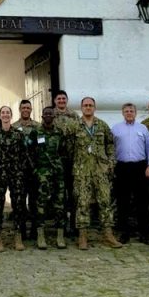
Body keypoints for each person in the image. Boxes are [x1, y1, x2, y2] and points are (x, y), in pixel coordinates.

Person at [73, 97, 123, 250]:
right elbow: (68, 148)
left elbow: (110, 145)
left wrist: (111, 163)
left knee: (105, 201)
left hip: (100, 171)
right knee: (83, 203)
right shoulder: (75, 126)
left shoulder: (102, 125)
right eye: (85, 105)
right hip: (82, 171)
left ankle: (108, 235)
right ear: (81, 108)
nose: (88, 107)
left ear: (94, 107)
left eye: (90, 105)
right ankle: (83, 236)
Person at [0, 106, 30, 252]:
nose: (5, 115)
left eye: (8, 113)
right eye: (3, 113)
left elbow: (24, 154)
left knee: (18, 204)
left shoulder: (18, 135)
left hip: (15, 175)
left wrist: (20, 171)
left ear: (11, 116)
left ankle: (18, 235)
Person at [111, 103, 149, 244]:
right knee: (122, 201)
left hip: (139, 167)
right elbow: (110, 147)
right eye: (126, 111)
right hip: (122, 167)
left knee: (142, 201)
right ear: (122, 113)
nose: (129, 113)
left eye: (131, 111)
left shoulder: (143, 128)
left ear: (135, 113)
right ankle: (124, 233)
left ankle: (144, 233)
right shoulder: (115, 129)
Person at [30, 105, 67, 250]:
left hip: (57, 173)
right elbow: (29, 153)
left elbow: (64, 151)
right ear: (42, 116)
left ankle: (60, 235)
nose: (48, 116)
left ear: (54, 116)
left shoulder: (59, 133)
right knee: (41, 204)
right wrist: (35, 170)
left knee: (60, 204)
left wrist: (60, 167)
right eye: (45, 114)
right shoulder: (36, 132)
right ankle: (41, 235)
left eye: (50, 114)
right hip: (42, 174)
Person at [53, 90, 79, 235]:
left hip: (72, 160)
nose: (61, 101)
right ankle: (60, 226)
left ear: (67, 100)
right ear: (55, 101)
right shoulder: (50, 115)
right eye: (59, 99)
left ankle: (74, 224)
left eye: (64, 98)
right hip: (57, 161)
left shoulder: (74, 116)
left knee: (73, 194)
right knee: (59, 194)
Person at [13, 99, 40, 237]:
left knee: (34, 201)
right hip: (19, 170)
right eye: (23, 107)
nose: (25, 110)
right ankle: (22, 230)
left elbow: (42, 146)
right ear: (20, 109)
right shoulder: (13, 127)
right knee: (20, 201)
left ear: (31, 109)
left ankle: (35, 230)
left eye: (28, 108)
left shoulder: (38, 127)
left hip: (34, 169)